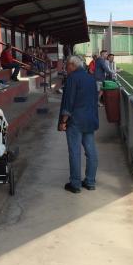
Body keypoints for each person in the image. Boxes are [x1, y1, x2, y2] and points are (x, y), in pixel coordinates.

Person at [58, 55, 99, 193]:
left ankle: (75, 184)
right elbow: (95, 100)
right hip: (90, 119)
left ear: (72, 65)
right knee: (91, 151)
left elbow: (69, 102)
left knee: (75, 152)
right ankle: (90, 181)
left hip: (75, 121)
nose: (65, 68)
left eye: (66, 66)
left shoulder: (72, 78)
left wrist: (63, 121)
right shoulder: (90, 78)